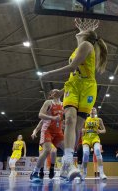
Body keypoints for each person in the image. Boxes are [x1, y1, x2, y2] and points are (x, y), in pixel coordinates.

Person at [41, 27, 108, 182]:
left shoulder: (86, 45)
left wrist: (48, 74)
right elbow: (74, 74)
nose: (79, 30)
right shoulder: (79, 48)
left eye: (82, 30)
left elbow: (71, 67)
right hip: (73, 86)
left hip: (88, 88)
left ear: (85, 35)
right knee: (70, 119)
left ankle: (68, 161)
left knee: (78, 126)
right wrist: (61, 91)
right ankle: (69, 162)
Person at [30, 89, 64, 182]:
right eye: (53, 91)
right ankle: (35, 172)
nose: (56, 91)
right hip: (47, 130)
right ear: (51, 95)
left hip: (58, 131)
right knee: (47, 150)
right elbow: (40, 114)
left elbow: (63, 120)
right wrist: (52, 117)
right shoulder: (48, 102)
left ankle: (64, 172)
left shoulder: (63, 105)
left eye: (57, 90)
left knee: (68, 149)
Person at [81, 107, 107, 180]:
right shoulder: (85, 119)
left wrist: (100, 131)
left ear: (96, 112)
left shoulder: (99, 120)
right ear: (89, 111)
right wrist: (82, 130)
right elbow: (81, 128)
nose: (92, 110)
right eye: (91, 109)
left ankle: (101, 173)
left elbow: (104, 130)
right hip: (86, 138)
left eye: (94, 109)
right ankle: (84, 173)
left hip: (95, 138)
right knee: (86, 153)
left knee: (97, 151)